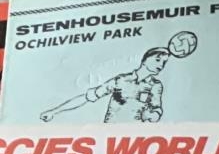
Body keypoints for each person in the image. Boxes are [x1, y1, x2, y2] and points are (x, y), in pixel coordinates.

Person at [39, 48, 169, 124]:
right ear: (144, 60)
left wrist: (152, 116)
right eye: (157, 60)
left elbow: (157, 110)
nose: (161, 65)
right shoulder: (121, 80)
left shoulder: (155, 86)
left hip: (135, 139)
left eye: (164, 62)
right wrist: (54, 111)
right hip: (109, 135)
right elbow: (87, 97)